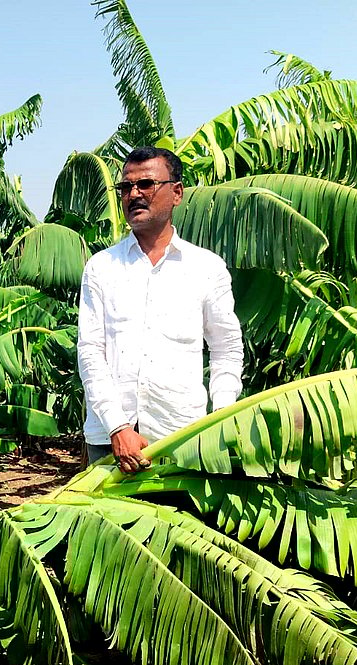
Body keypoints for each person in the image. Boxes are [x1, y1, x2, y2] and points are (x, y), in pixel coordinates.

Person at [77, 146, 243, 473]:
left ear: (176, 192)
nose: (133, 194)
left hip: (181, 436)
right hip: (110, 442)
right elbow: (91, 352)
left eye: (146, 185)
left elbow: (227, 348)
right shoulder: (101, 268)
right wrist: (117, 426)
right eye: (125, 187)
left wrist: (221, 415)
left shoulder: (206, 267)